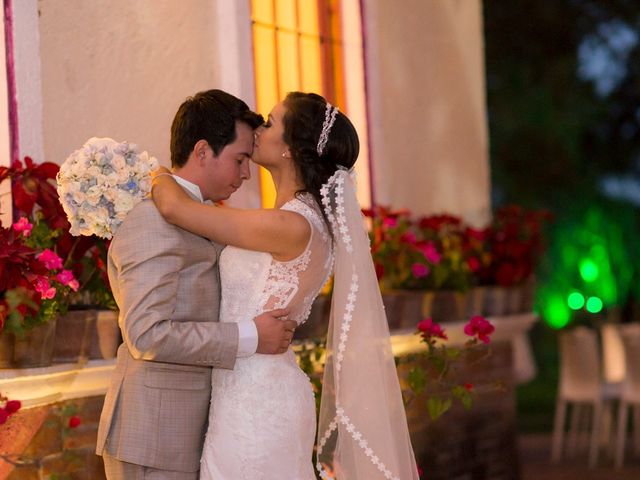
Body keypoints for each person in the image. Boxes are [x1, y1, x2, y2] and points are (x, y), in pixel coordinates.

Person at [152, 91, 419, 479]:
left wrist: (154, 173)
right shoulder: (288, 220)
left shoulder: (291, 225)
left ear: (291, 149)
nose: (259, 128)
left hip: (256, 403)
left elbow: (175, 208)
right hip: (249, 390)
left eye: (271, 122)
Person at [95, 89, 297, 480]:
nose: (245, 174)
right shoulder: (151, 221)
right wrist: (250, 337)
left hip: (189, 432)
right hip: (155, 437)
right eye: (240, 160)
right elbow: (147, 334)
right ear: (203, 151)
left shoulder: (198, 214)